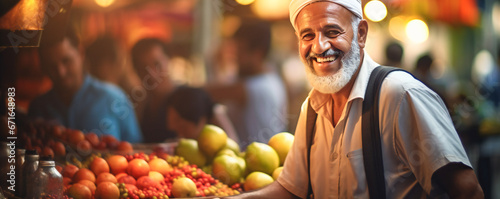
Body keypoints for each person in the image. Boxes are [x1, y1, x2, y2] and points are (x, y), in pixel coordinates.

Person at [225, 0, 483, 198]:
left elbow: (467, 191)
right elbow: (291, 189)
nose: (319, 47)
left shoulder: (400, 95)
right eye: (307, 35)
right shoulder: (312, 107)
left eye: (332, 31)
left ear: (360, 33)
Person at [29, 27, 142, 143]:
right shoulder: (38, 107)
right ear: (43, 66)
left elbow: (135, 151)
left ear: (80, 52)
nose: (61, 72)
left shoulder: (114, 98)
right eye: (51, 66)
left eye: (66, 61)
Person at [207, 20, 288, 148]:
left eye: (240, 50)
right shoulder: (267, 77)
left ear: (258, 53)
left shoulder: (259, 87)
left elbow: (208, 92)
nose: (235, 57)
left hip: (257, 164)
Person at [130, 38, 178, 143]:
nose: (151, 75)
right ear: (136, 72)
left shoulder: (189, 100)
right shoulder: (139, 107)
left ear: (169, 60)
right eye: (143, 69)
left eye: (157, 65)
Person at [166, 86, 238, 141]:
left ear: (201, 120)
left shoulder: (214, 113)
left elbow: (233, 144)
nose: (180, 136)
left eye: (183, 128)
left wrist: (218, 113)